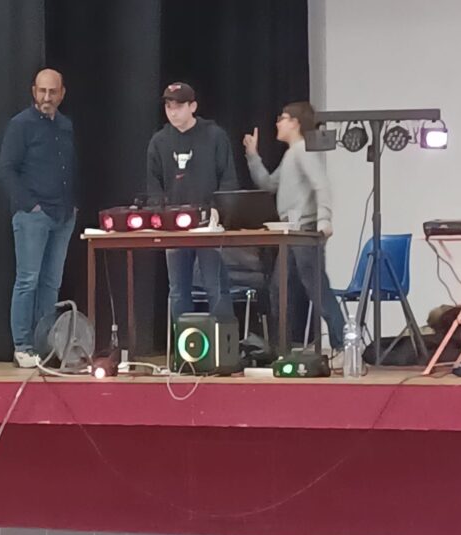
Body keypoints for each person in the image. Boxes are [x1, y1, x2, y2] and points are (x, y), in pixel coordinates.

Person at [243, 101, 345, 352]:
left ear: (295, 123)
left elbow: (321, 184)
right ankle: (282, 350)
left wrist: (324, 219)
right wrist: (253, 155)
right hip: (290, 233)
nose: (277, 123)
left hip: (304, 231)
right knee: (280, 290)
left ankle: (342, 346)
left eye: (282, 118)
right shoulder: (291, 154)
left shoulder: (302, 151)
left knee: (317, 290)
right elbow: (268, 184)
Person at [0, 69, 77, 367]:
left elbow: (69, 167)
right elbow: (6, 170)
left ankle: (45, 344)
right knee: (27, 280)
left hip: (63, 214)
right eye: (42, 91)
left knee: (51, 283)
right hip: (34, 215)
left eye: (52, 91)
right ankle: (22, 345)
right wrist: (30, 205)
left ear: (62, 94)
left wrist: (72, 205)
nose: (47, 97)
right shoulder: (20, 125)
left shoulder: (65, 126)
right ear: (34, 92)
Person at [147, 82, 238, 320]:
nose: (173, 112)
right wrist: (160, 215)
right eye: (168, 106)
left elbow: (228, 179)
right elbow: (154, 185)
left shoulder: (214, 136)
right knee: (178, 290)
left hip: (208, 224)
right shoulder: (159, 141)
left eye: (179, 106)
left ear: (193, 106)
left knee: (215, 286)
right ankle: (183, 342)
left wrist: (219, 211)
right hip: (174, 226)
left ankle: (222, 340)